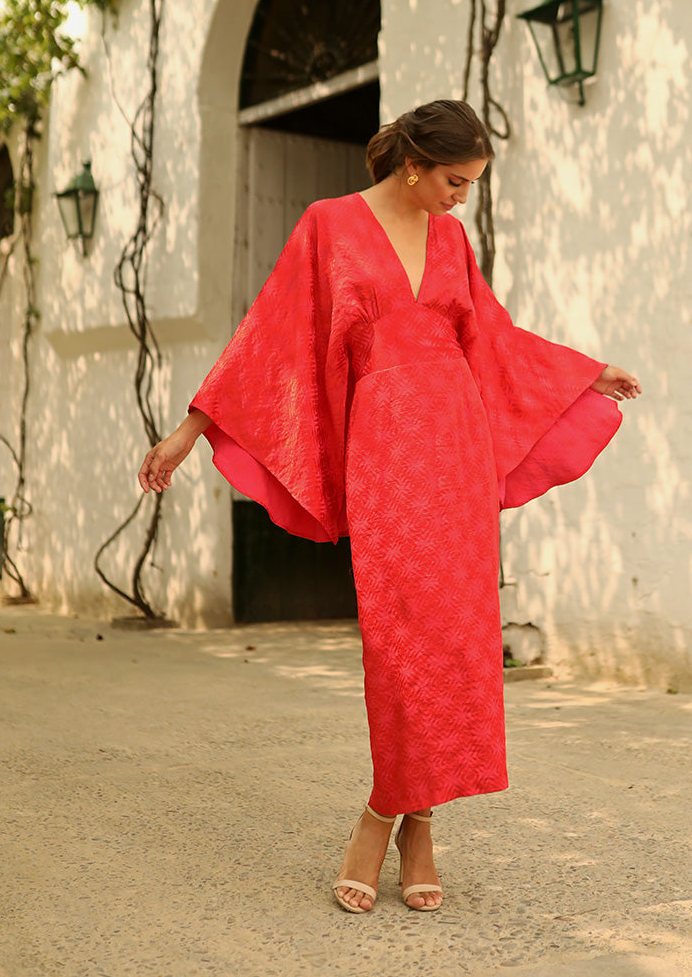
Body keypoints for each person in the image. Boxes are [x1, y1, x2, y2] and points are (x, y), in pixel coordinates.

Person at [138, 99, 641, 915]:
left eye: (472, 185)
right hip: (383, 453)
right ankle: (385, 812)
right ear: (413, 163)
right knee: (398, 640)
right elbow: (273, 337)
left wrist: (585, 371)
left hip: (456, 451)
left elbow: (494, 340)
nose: (461, 199)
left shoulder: (453, 241)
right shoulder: (328, 225)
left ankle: (416, 824)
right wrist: (189, 431)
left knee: (454, 640)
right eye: (454, 180)